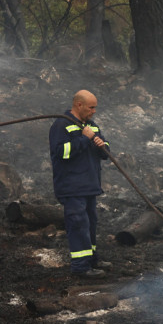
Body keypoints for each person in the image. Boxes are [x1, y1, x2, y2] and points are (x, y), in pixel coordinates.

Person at [49, 90, 110, 278]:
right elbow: (61, 152)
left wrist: (102, 146)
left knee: (90, 224)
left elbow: (106, 153)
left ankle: (92, 259)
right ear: (79, 105)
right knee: (78, 225)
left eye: (95, 108)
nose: (94, 111)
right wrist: (85, 138)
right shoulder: (61, 125)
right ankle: (81, 267)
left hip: (90, 185)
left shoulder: (91, 126)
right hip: (72, 186)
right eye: (91, 107)